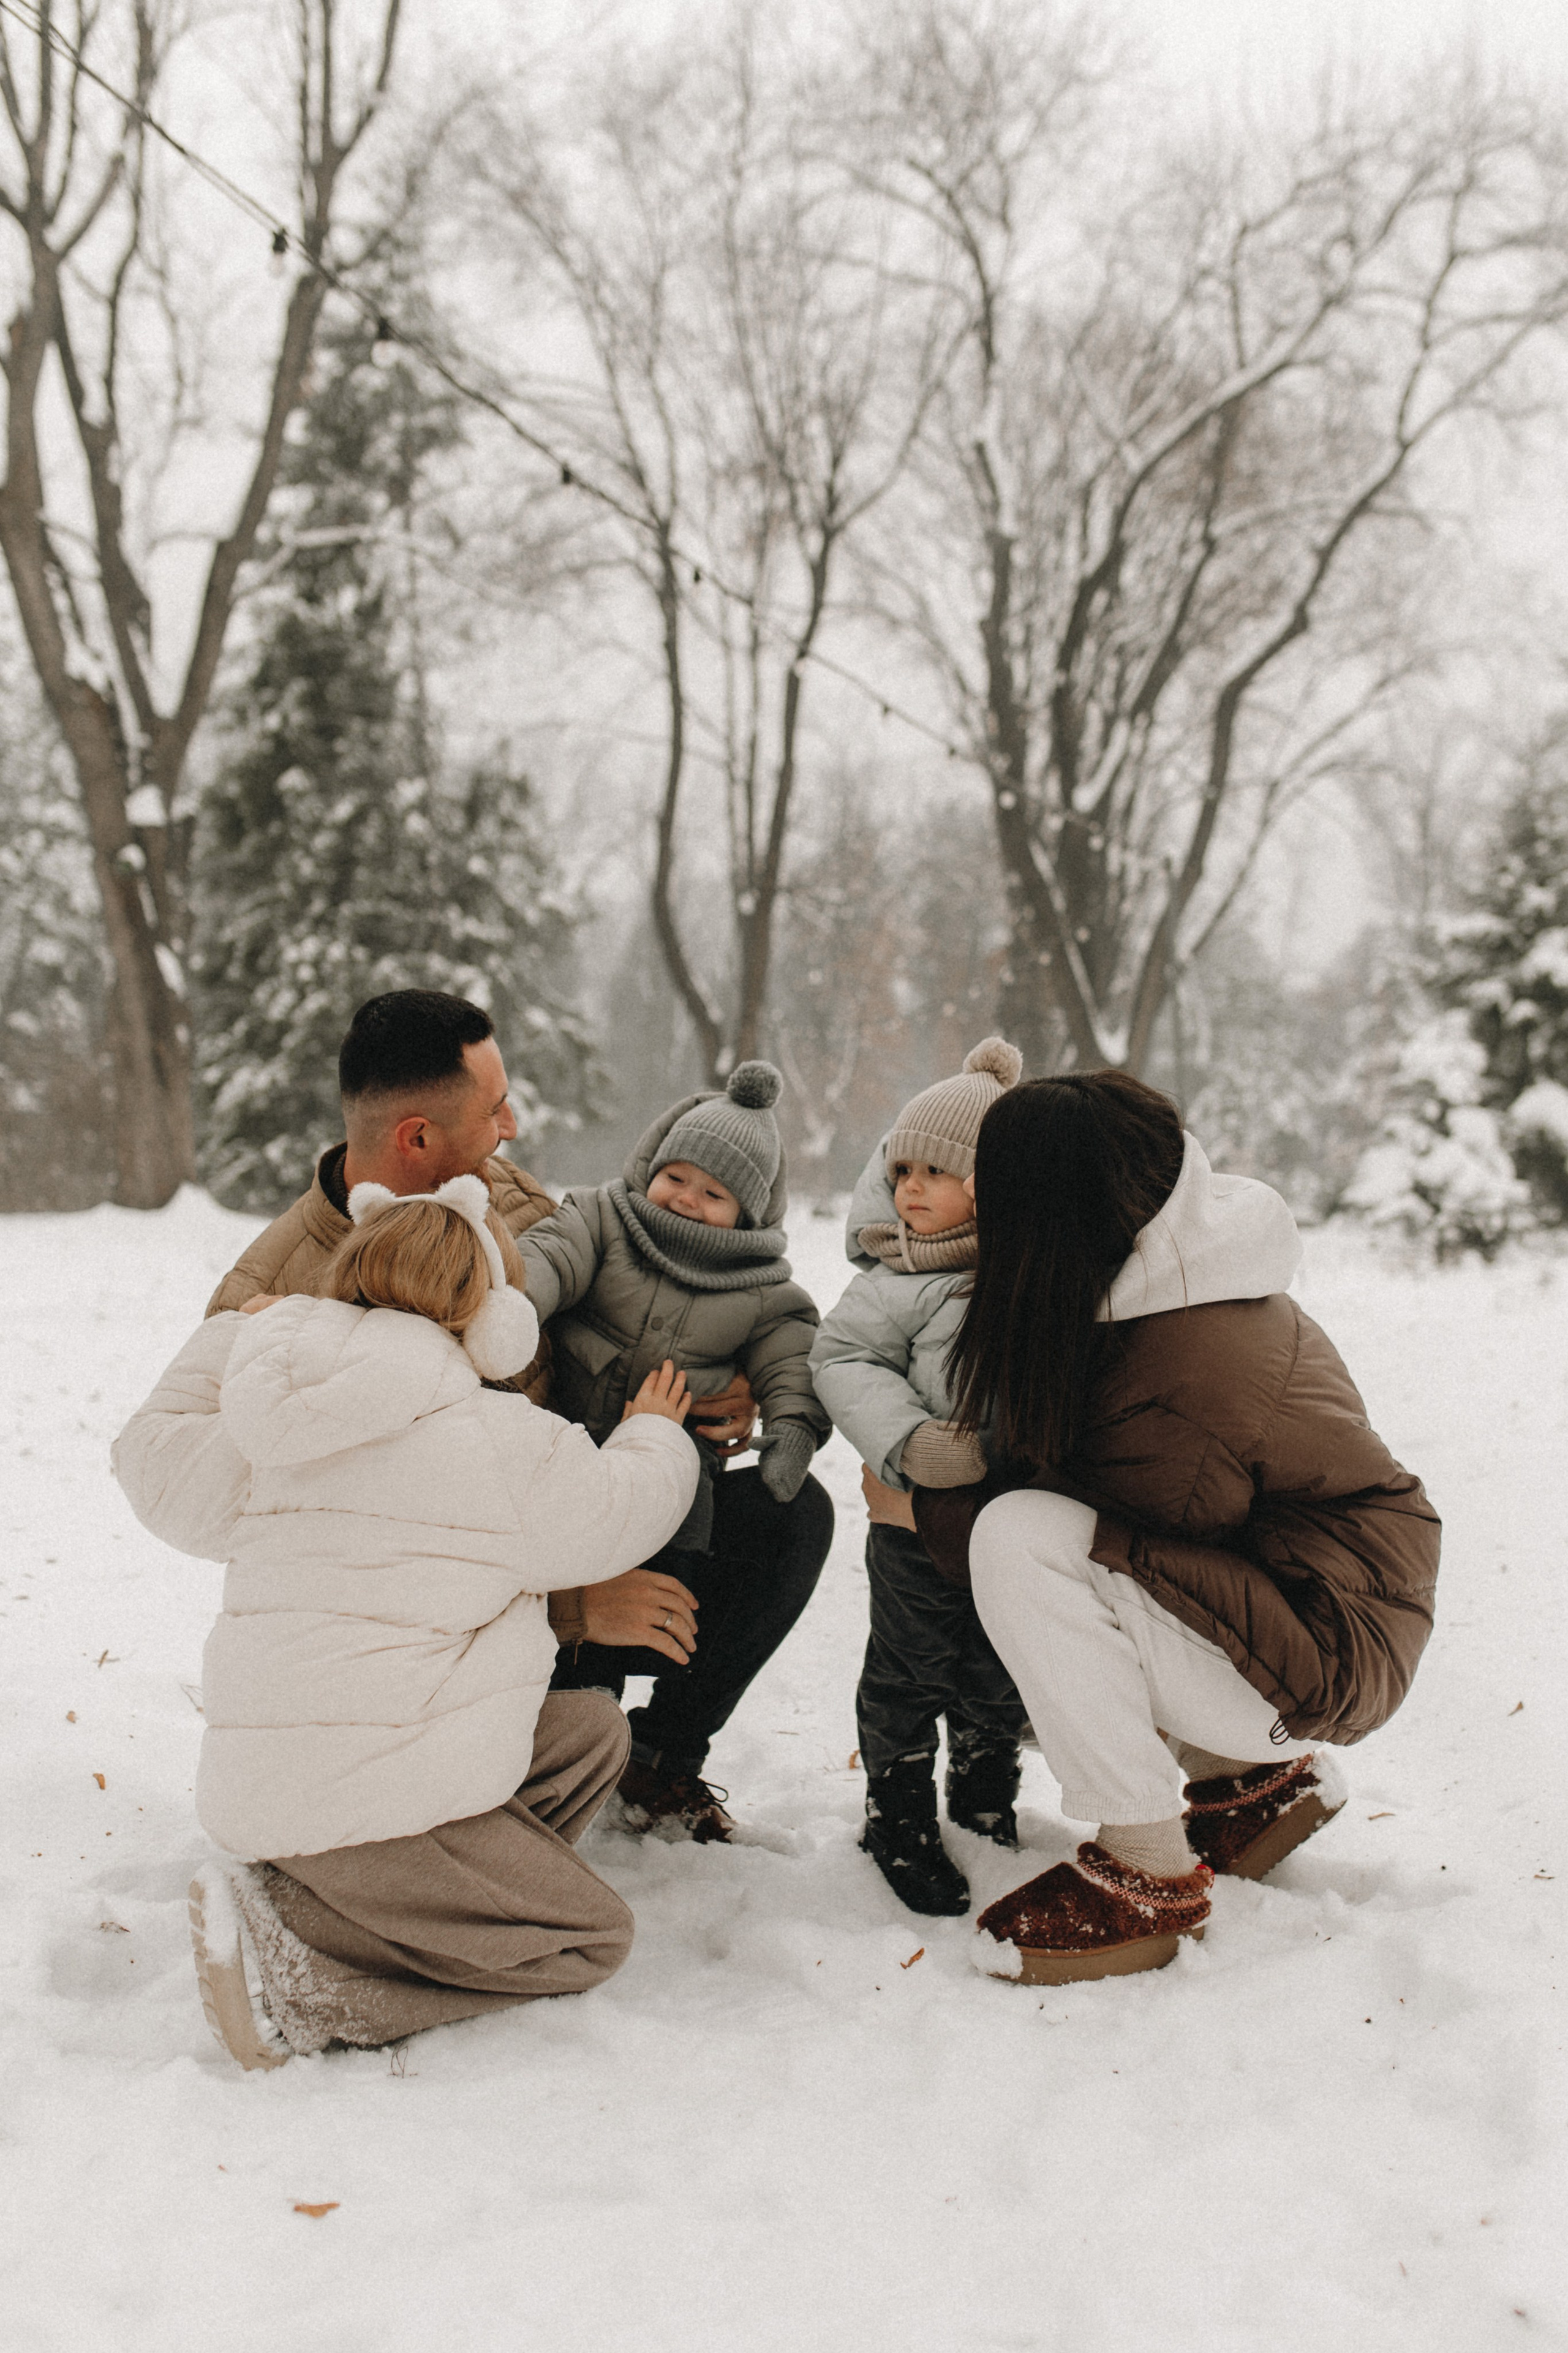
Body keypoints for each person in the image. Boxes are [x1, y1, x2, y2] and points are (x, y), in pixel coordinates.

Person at [867, 1071, 1441, 1987]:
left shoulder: (1179, 1357)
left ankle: (1146, 1871)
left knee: (1022, 1544)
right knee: (1072, 1548)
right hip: (1306, 1606)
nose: (976, 1200)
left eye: (996, 1183)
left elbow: (1100, 1529)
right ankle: (1248, 1787)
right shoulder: (1156, 1277)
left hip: (1326, 1653)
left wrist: (921, 1507)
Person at [113, 1174, 701, 2068]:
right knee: (591, 1937)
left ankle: (349, 1894)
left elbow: (148, 1452)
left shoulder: (271, 1430)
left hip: (272, 1791)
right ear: (495, 1317)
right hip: (361, 1810)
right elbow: (628, 1506)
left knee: (588, 1731)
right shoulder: (503, 1442)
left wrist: (240, 1331)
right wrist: (654, 1427)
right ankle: (309, 1977)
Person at [205, 987, 761, 1686]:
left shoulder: (516, 1206)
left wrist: (719, 1377)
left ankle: (660, 1759)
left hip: (573, 1518)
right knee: (576, 1717)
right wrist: (567, 1606)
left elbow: (622, 1315)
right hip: (412, 1648)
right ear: (417, 1136)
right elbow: (295, 1548)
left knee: (783, 1517)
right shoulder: (268, 1301)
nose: (513, 1124)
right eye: (492, 1110)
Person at [519, 1062, 834, 1842]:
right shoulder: (600, 1220)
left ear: (749, 1212)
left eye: (713, 1191)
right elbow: (548, 1260)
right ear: (649, 1166)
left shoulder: (763, 1289)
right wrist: (508, 1299)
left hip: (673, 1519)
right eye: (676, 1175)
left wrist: (790, 1428)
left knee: (798, 1512)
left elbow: (795, 1359)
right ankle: (560, 1741)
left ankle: (664, 1751)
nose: (686, 1198)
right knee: (584, 1628)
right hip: (561, 1494)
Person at [810, 1040, 1030, 1917]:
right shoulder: (894, 1279)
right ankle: (896, 1816)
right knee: (909, 1668)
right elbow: (842, 1358)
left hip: (1012, 1526)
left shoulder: (1026, 1279)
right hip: (911, 1521)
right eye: (900, 1168)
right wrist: (913, 1441)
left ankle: (985, 1801)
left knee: (996, 1667)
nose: (908, 1188)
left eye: (935, 1172)